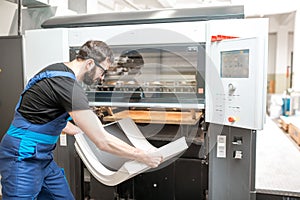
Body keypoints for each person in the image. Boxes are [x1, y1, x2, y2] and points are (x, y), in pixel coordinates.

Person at [0, 40, 163, 200]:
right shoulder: (67, 85)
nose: (101, 77)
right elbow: (102, 141)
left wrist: (84, 130)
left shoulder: (57, 71)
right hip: (22, 155)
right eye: (103, 71)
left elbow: (48, 117)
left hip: (43, 157)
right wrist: (141, 155)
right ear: (90, 63)